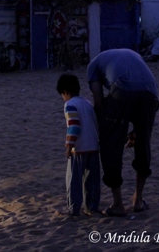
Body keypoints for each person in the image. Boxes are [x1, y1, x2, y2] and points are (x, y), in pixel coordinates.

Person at [87, 48, 159, 217]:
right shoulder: (133, 55)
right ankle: (138, 200)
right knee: (143, 141)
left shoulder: (92, 66)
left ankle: (118, 203)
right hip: (151, 92)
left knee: (111, 143)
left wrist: (104, 129)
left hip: (122, 87)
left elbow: (98, 103)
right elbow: (143, 88)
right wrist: (136, 129)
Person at [56, 73, 100, 216]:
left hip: (79, 149)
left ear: (65, 92)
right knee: (92, 182)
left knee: (73, 180)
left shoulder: (70, 105)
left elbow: (74, 126)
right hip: (93, 146)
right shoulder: (87, 103)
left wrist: (69, 145)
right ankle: (91, 207)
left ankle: (73, 209)